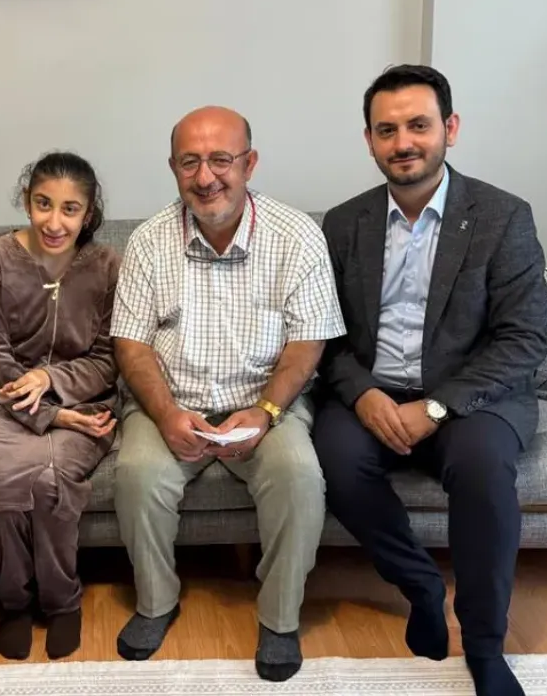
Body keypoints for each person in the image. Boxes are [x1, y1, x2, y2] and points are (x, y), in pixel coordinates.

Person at [313, 64, 547, 696]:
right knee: (332, 461)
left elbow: (524, 339)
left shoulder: (502, 216)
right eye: (386, 130)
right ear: (369, 140)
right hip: (374, 390)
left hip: (473, 396)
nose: (403, 143)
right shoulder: (344, 223)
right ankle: (418, 583)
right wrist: (362, 392)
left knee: (483, 471)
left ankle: (485, 645)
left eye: (418, 125)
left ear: (450, 128)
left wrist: (438, 407)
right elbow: (323, 334)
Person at [110, 105, 345, 682]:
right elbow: (131, 346)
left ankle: (280, 618)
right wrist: (166, 413)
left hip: (266, 402)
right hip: (170, 401)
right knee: (137, 474)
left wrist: (265, 411)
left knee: (298, 476)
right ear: (173, 168)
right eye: (189, 162)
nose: (206, 176)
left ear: (249, 163)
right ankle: (156, 603)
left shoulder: (297, 236)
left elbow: (307, 343)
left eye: (221, 159)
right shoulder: (147, 241)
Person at [0, 151, 121, 661]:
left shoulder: (106, 267)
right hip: (0, 405)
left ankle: (62, 602)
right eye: (43, 204)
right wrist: (49, 414)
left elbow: (107, 359)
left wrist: (51, 380)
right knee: (2, 484)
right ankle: (15, 603)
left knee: (50, 482)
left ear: (88, 214)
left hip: (84, 404)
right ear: (27, 201)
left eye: (70, 209)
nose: (54, 222)